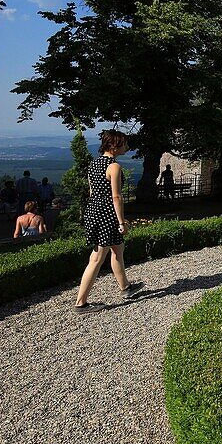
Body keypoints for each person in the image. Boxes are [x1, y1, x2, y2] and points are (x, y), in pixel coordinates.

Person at [74, 129, 142, 312]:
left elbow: (92, 192)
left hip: (94, 211)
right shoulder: (114, 167)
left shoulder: (93, 164)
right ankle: (81, 303)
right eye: (124, 143)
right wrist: (121, 222)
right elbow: (117, 197)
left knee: (118, 249)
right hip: (107, 214)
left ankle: (126, 288)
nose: (127, 146)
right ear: (114, 145)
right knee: (96, 258)